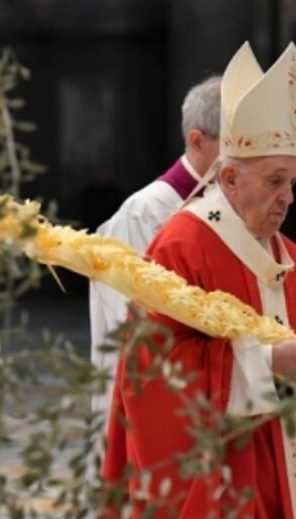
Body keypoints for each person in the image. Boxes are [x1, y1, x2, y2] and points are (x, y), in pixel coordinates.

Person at [91, 42, 296, 519]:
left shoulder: (292, 259)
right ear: (229, 177)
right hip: (222, 503)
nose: (288, 197)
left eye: (292, 181)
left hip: (290, 501)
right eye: (274, 180)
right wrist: (269, 365)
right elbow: (150, 373)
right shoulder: (182, 245)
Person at [89, 76, 221, 419]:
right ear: (197, 141)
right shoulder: (144, 214)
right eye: (240, 144)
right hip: (150, 406)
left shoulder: (236, 210)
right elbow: (138, 333)